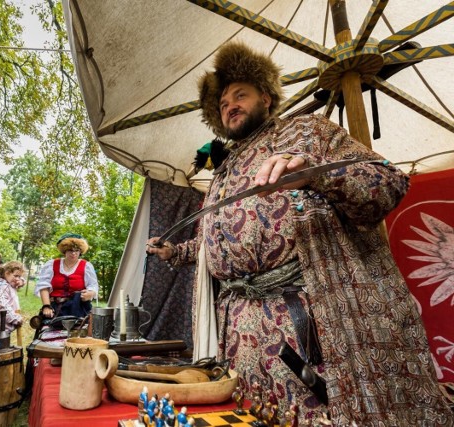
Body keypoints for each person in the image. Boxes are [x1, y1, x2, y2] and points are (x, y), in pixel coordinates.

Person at [147, 42, 453, 425]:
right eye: (223, 103)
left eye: (240, 94)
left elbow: (387, 182)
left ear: (268, 97)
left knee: (316, 414)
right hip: (238, 329)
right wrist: (174, 252)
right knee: (253, 415)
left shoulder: (308, 132)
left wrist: (318, 173)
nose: (230, 106)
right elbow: (215, 244)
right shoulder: (222, 173)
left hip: (302, 317)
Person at [35, 233, 98, 319]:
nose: (73, 253)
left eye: (77, 250)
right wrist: (46, 306)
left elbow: (93, 286)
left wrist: (90, 294)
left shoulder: (86, 266)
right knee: (47, 330)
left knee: (82, 331)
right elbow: (43, 286)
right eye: (70, 250)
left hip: (79, 309)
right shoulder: (52, 264)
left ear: (80, 252)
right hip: (54, 309)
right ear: (64, 251)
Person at [0, 261, 26, 335]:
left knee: (6, 342)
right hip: (0, 329)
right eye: (16, 276)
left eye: (19, 276)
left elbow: (21, 281)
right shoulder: (2, 287)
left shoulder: (9, 283)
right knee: (0, 344)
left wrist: (21, 281)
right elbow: (3, 306)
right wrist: (15, 319)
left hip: (7, 326)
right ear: (7, 273)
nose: (17, 279)